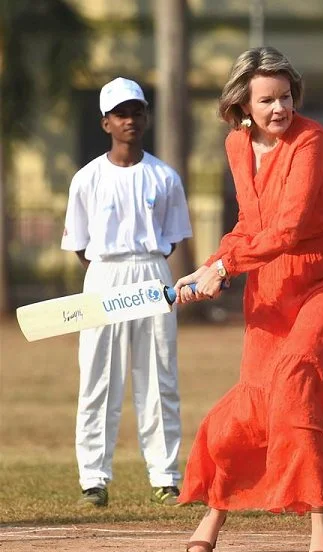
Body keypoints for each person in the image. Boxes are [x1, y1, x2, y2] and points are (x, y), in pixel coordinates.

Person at [174, 46, 323, 552]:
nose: (279, 107)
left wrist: (225, 268)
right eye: (267, 100)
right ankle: (217, 506)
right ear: (242, 104)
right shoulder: (237, 147)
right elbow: (250, 223)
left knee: (295, 379)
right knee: (253, 398)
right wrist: (212, 263)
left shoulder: (311, 140)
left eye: (285, 96)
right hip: (272, 280)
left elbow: (289, 227)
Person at [61, 77, 193, 508]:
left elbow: (172, 238)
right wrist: (111, 273)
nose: (130, 120)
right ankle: (93, 480)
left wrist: (144, 268)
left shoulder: (165, 177)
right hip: (103, 275)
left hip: (153, 274)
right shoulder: (86, 179)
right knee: (99, 377)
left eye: (137, 111)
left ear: (146, 116)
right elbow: (81, 247)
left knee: (158, 376)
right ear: (106, 124)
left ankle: (166, 476)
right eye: (121, 114)